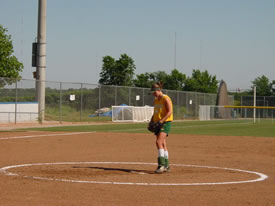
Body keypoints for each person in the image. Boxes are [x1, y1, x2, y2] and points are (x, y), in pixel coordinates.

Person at [149, 82, 173, 173]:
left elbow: (169, 112)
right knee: (163, 143)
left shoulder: (165, 99)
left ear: (159, 90)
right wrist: (151, 121)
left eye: (154, 92)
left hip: (165, 122)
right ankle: (166, 166)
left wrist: (161, 121)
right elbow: (155, 113)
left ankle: (161, 165)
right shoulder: (156, 100)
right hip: (158, 122)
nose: (153, 94)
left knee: (158, 142)